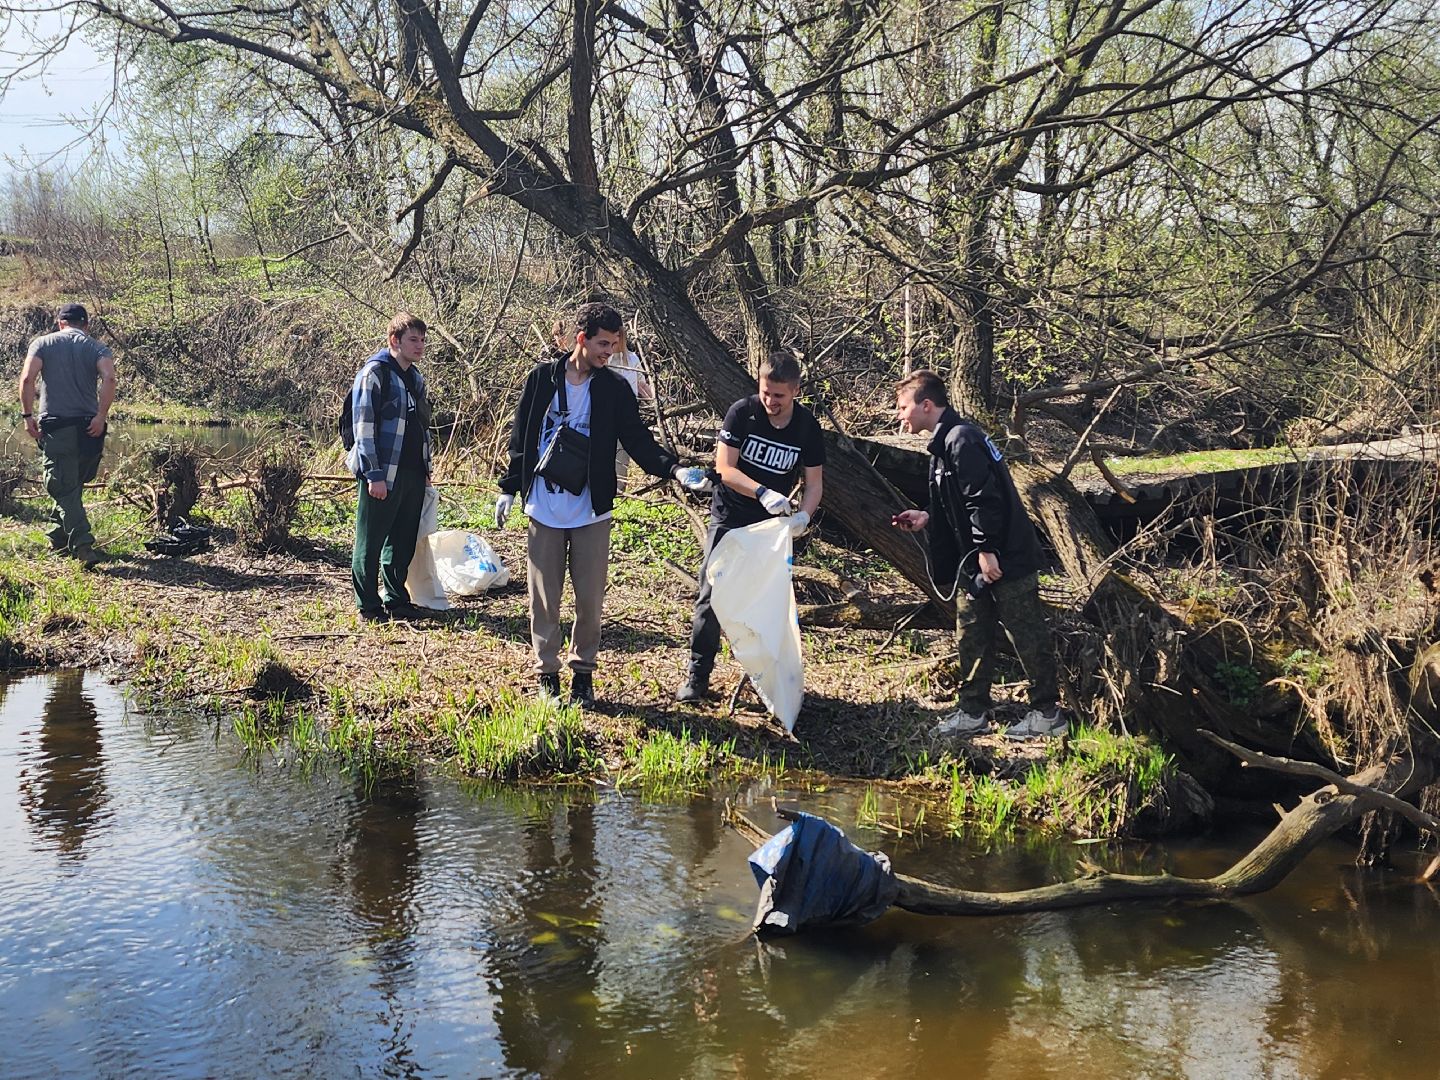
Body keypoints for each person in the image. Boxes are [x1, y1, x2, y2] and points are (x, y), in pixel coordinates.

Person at [496, 301, 710, 706]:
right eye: (603, 344)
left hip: (591, 507)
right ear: (582, 339)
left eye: (613, 345)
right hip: (544, 505)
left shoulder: (613, 388)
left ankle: (582, 673)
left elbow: (637, 439)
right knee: (544, 598)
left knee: (590, 598)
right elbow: (521, 435)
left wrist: (674, 469)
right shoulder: (542, 379)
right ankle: (547, 674)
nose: (608, 352)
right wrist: (509, 486)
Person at [891, 370, 1065, 738]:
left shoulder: (962, 439)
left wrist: (987, 552)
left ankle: (1048, 714)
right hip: (974, 563)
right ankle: (972, 712)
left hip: (1005, 558)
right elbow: (957, 499)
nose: (900, 415)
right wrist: (926, 515)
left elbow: (985, 501)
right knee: (971, 631)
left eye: (903, 407)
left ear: (926, 405)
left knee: (1025, 631)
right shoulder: (946, 442)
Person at [675, 351, 825, 703]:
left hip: (770, 530)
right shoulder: (742, 412)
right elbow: (725, 468)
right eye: (766, 393)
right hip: (730, 517)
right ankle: (698, 676)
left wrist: (804, 515)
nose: (771, 402)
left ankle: (767, 681)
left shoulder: (806, 427)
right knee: (711, 596)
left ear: (796, 391)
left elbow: (815, 483)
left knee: (765, 603)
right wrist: (762, 492)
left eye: (780, 396)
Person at [347, 312, 434, 623]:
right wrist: (374, 474)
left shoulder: (416, 378)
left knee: (402, 540)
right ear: (394, 340)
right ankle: (367, 606)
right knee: (370, 542)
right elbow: (363, 428)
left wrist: (426, 468)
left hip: (412, 473)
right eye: (413, 339)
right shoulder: (374, 373)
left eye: (423, 340)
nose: (420, 346)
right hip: (384, 474)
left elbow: (423, 428)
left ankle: (396, 600)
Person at [19, 302, 117, 567]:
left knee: (61, 484)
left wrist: (28, 416)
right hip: (90, 428)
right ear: (85, 325)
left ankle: (84, 545)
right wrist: (101, 416)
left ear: (60, 323)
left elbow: (28, 379)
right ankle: (57, 538)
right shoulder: (97, 347)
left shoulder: (43, 344)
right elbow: (109, 379)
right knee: (70, 485)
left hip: (57, 427)